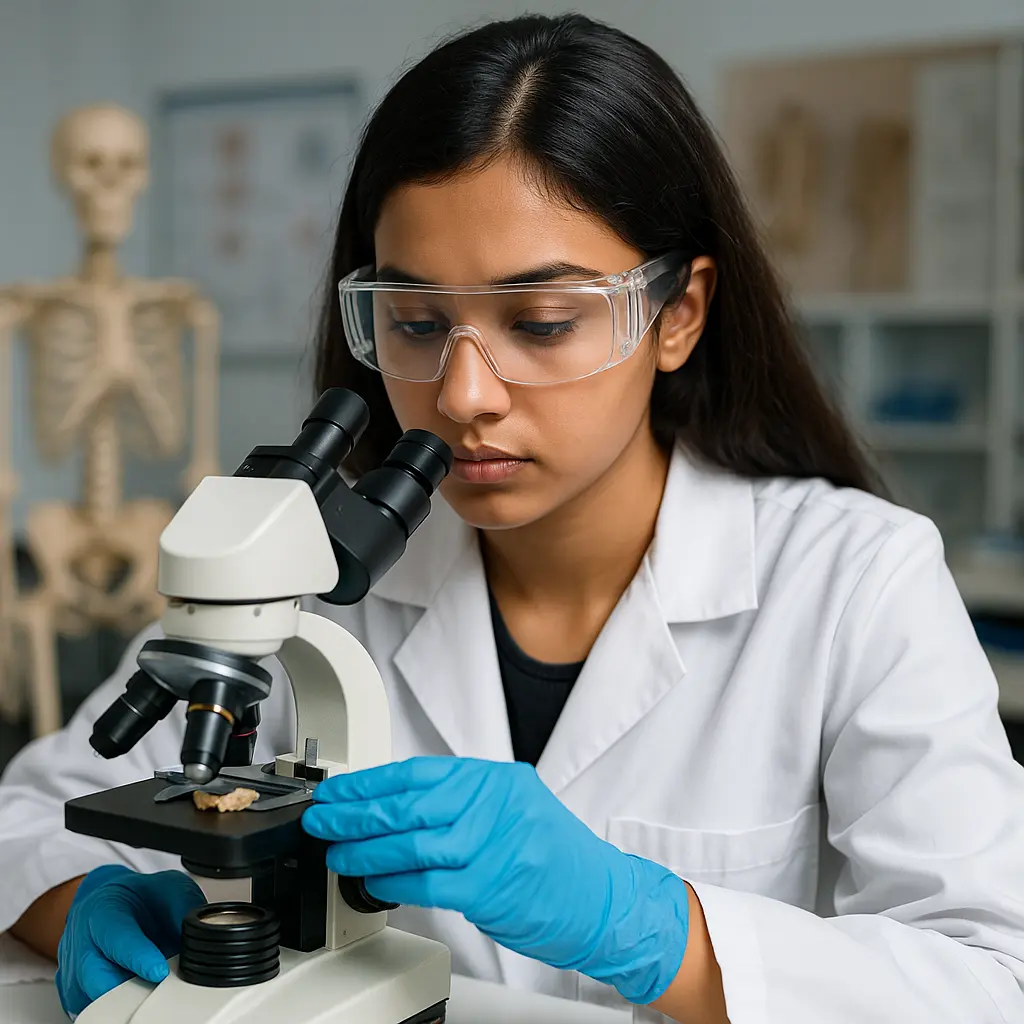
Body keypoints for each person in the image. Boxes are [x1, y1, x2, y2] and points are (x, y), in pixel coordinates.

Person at [2, 13, 1023, 1024]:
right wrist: (77, 896)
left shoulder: (855, 579)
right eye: (415, 321)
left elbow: (988, 978)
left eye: (539, 322)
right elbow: (32, 812)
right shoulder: (312, 566)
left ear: (677, 314)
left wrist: (652, 924)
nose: (465, 392)